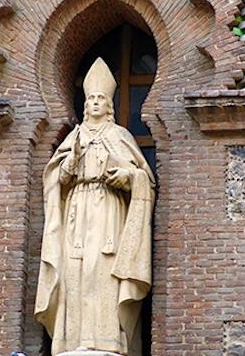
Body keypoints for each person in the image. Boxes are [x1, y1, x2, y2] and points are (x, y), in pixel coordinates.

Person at [35, 58, 155, 355]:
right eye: (91, 98)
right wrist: (71, 162)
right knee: (74, 271)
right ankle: (71, 339)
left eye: (101, 98)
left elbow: (144, 179)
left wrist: (127, 177)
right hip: (77, 209)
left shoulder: (120, 137)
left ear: (109, 104)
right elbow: (56, 180)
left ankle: (107, 340)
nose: (96, 102)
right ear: (85, 104)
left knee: (102, 271)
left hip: (109, 210)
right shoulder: (74, 137)